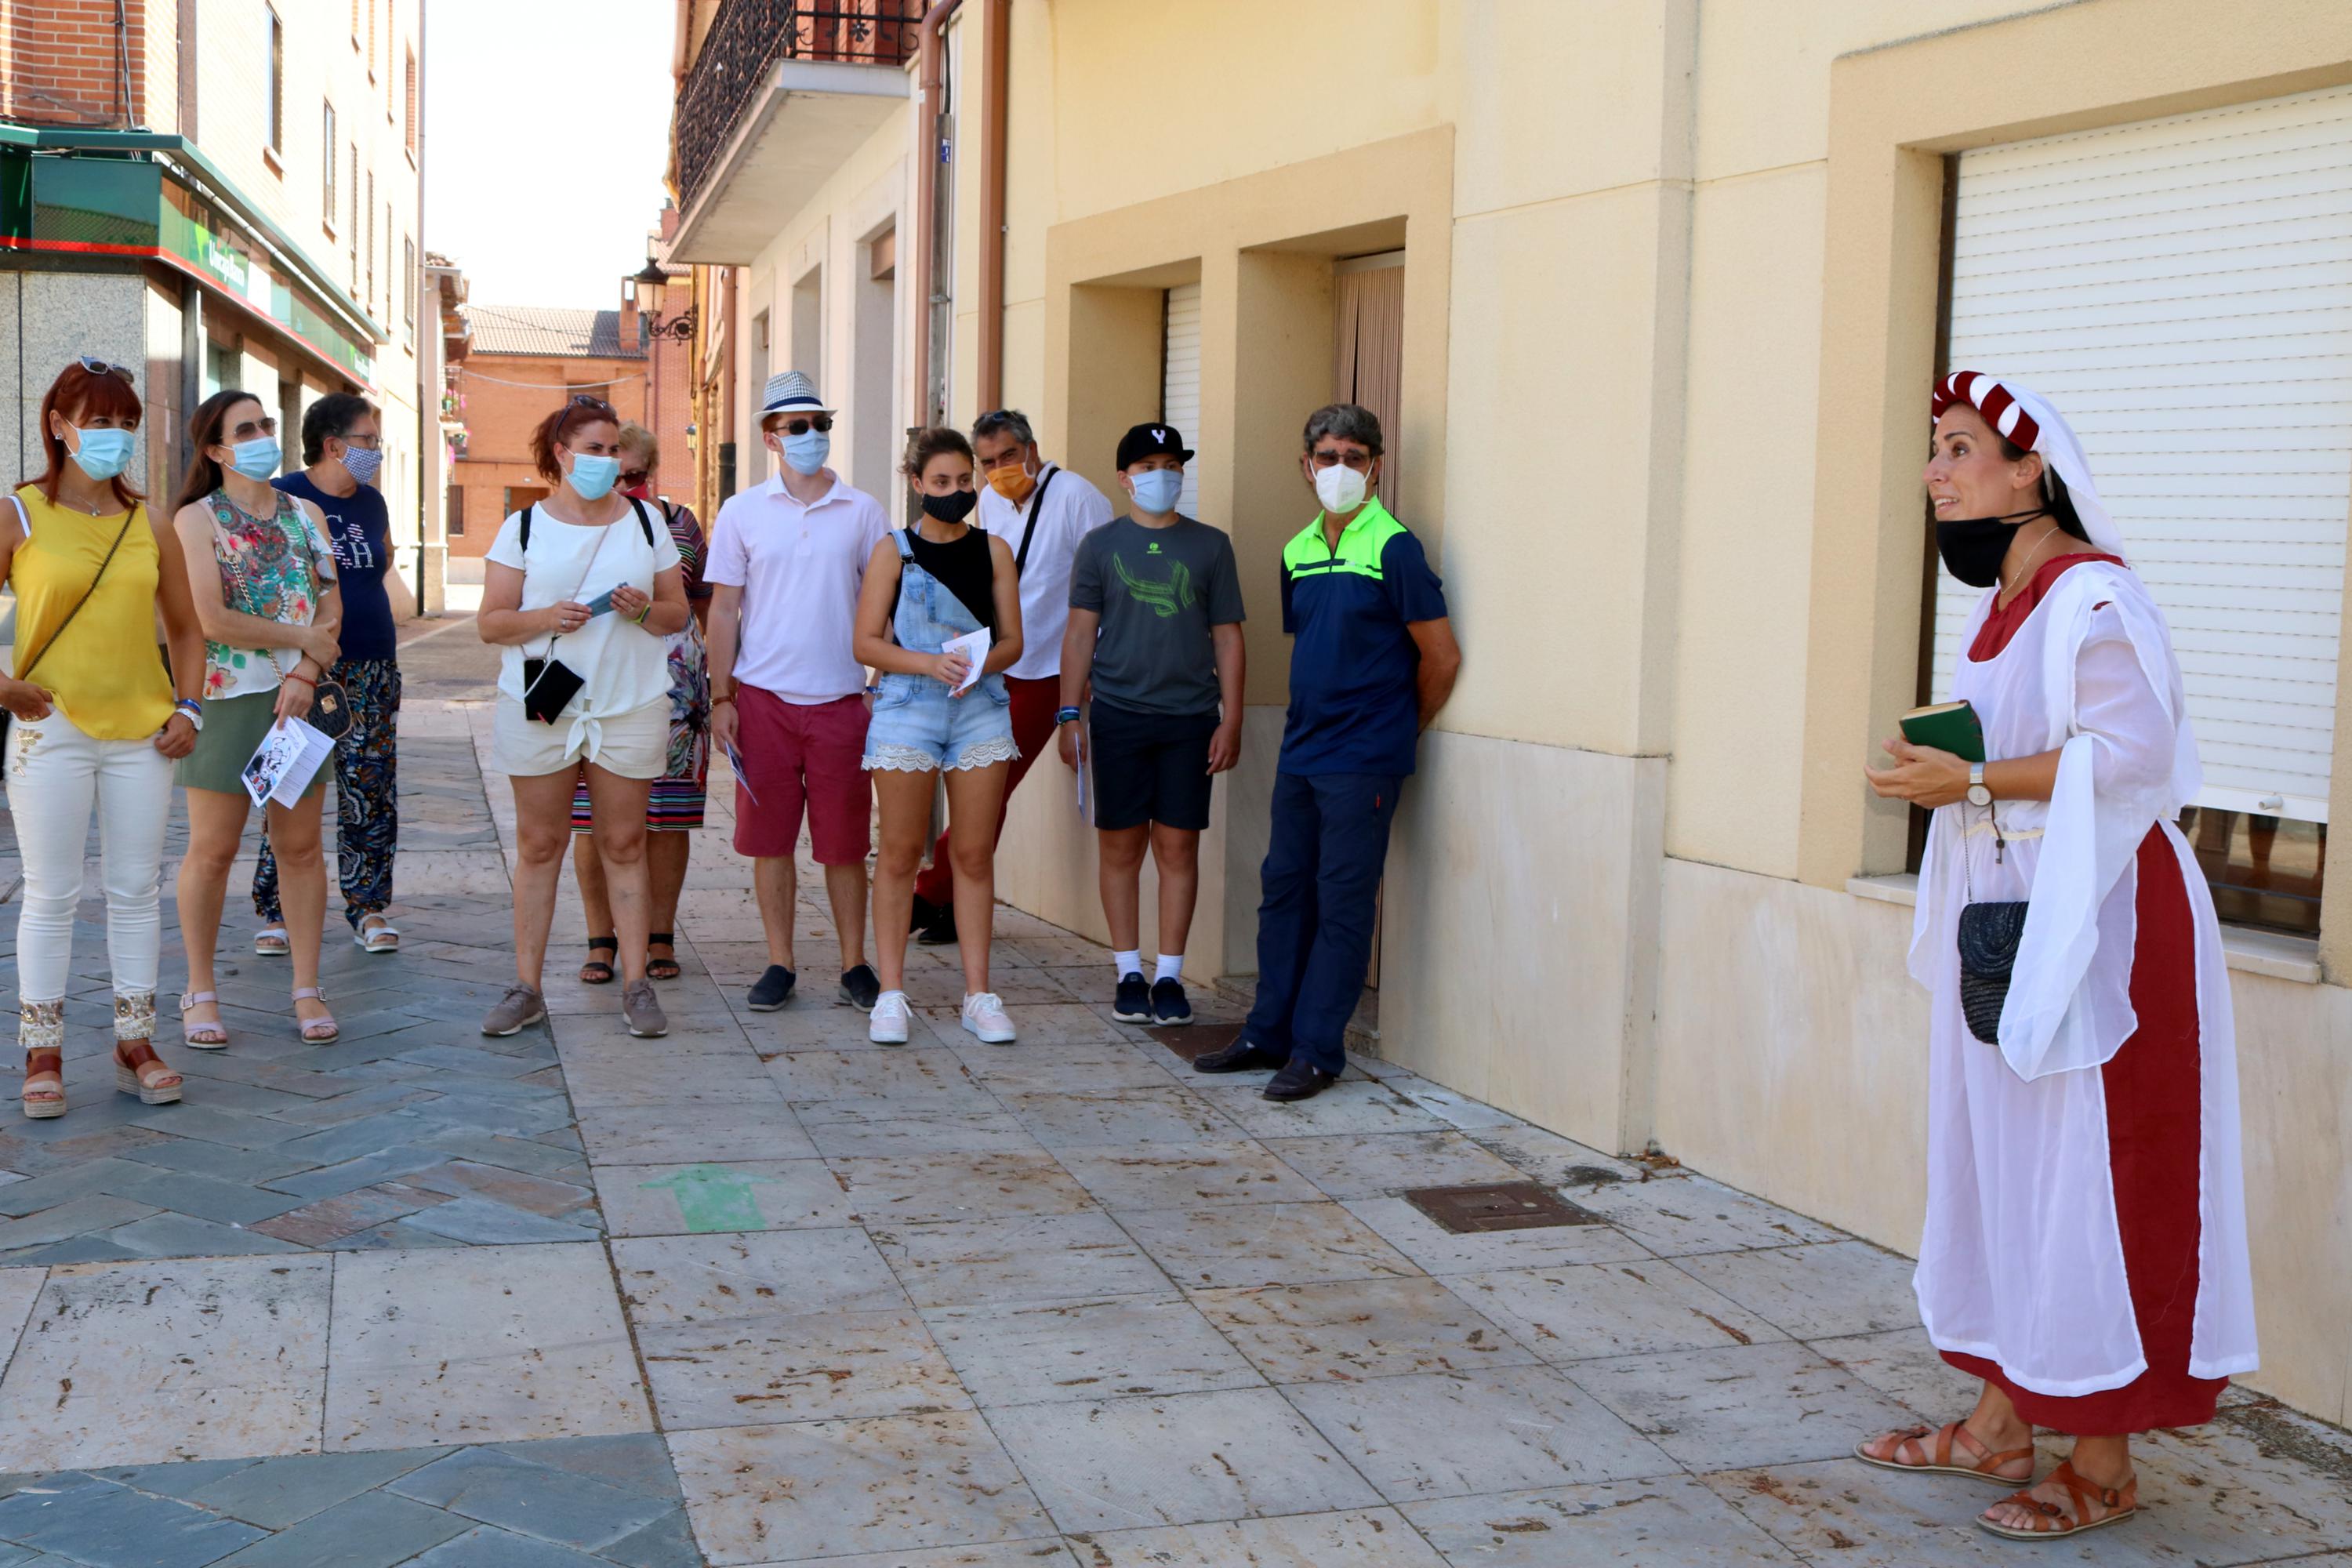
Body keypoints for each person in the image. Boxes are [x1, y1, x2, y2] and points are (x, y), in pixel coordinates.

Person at [1856, 372, 2258, 1542]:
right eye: (1934, 447)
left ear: (2033, 471)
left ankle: (2105, 1459)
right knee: (2006, 1166)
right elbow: (2039, 747)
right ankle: (1999, 1419)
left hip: (2107, 922)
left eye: (1962, 446)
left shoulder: (2094, 597)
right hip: (2014, 912)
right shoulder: (2008, 607)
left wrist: (1972, 778)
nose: (1938, 468)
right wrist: (1949, 761)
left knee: (2100, 1169)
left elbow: (2133, 760)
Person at [1192, 404, 1459, 1101]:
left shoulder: (1395, 547)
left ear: (1376, 466)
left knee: (1341, 903)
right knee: (1283, 892)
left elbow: (1441, 656)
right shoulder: (1296, 549)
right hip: (1303, 751)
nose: (1340, 468)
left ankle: (1317, 1052)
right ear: (1305, 465)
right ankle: (1266, 1033)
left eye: (1355, 456)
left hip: (1363, 757)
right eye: (1328, 455)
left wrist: (1402, 728)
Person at [2, 358, 205, 1116]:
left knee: (134, 890)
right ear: (60, 426)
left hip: (144, 736)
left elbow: (186, 629)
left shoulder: (150, 521)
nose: (115, 436)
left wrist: (190, 709)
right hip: (47, 730)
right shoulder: (17, 514)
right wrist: (2, 686)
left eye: (127, 424)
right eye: (99, 422)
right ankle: (42, 1049)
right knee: (50, 894)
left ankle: (135, 1038)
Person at [475, 394, 691, 1040]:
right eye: (592, 449)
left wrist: (641, 611)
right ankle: (526, 987)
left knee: (625, 843)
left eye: (613, 448)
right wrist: (547, 616)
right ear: (562, 455)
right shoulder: (522, 528)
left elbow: (678, 614)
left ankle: (637, 984)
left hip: (629, 701)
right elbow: (491, 623)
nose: (605, 459)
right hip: (544, 703)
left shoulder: (648, 523)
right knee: (540, 844)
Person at [706, 372, 887, 1011]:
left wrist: (877, 686)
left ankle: (854, 963)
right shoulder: (742, 511)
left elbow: (883, 601)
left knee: (844, 844)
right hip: (762, 701)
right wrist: (721, 697)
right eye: (798, 427)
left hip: (842, 701)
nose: (813, 436)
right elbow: (724, 609)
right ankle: (779, 962)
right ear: (771, 437)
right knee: (769, 840)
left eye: (821, 424)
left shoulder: (863, 510)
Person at [170, 389, 346, 1050]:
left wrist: (305, 673)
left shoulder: (307, 515)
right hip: (226, 696)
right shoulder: (196, 520)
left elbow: (332, 608)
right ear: (216, 450)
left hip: (297, 701)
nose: (263, 435)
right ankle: (200, 990)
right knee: (212, 852)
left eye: (267, 424)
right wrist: (300, 640)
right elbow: (212, 619)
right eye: (246, 429)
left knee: (300, 849)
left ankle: (306, 987)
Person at [1058, 423, 1244, 1026]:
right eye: (1147, 466)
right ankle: (1128, 972)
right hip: (1118, 716)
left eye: (1171, 464)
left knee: (1177, 845)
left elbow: (1228, 636)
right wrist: (1069, 715)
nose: (1161, 475)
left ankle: (1169, 976)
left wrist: (1232, 717)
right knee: (1120, 845)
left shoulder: (1211, 546)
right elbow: (1080, 633)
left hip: (1190, 719)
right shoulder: (1100, 545)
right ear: (1124, 478)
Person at [908, 408, 1112, 947]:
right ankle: (954, 901)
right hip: (990, 665)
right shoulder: (991, 502)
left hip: (1048, 668)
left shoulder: (1079, 499)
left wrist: (1093, 666)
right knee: (982, 789)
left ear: (1033, 449)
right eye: (989, 461)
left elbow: (1107, 587)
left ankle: (929, 892)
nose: (1000, 469)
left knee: (992, 782)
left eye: (1009, 457)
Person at [853, 427, 1024, 1045]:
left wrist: (978, 665)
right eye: (943, 482)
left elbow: (1014, 641)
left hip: (979, 707)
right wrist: (929, 663)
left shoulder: (995, 550)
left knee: (972, 856)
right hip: (907, 707)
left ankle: (979, 996)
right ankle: (892, 996)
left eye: (964, 481)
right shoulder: (892, 551)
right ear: (918, 484)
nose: (956, 492)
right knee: (899, 853)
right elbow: (865, 641)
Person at [250, 393, 401, 956]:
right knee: (289, 785)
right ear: (334, 445)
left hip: (373, 662)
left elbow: (380, 560)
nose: (376, 451)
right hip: (301, 670)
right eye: (368, 440)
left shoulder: (372, 502)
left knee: (371, 786)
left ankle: (368, 907)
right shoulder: (286, 496)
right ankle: (277, 909)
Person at [570, 421, 711, 985]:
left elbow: (704, 600)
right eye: (612, 472)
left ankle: (659, 935)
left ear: (649, 474)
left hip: (677, 688)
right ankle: (600, 940)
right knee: (590, 819)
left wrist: (721, 685)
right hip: (595, 684)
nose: (623, 484)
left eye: (633, 474)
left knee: (668, 818)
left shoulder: (680, 524)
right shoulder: (578, 525)